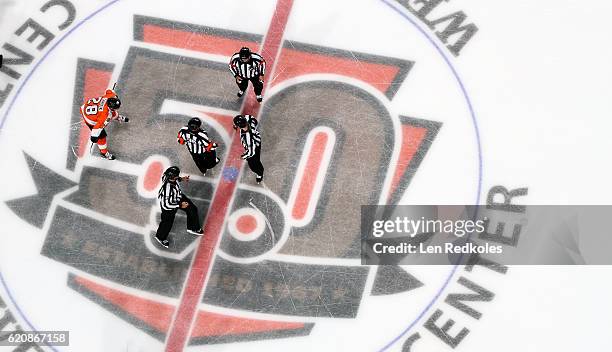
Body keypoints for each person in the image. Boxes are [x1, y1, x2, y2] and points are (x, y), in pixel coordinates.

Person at [155, 166, 203, 248]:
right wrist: (180, 205)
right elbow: (167, 204)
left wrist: (181, 179)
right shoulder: (167, 190)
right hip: (169, 208)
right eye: (177, 175)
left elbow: (176, 178)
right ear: (174, 177)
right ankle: (160, 237)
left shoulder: (168, 176)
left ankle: (193, 228)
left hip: (178, 197)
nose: (178, 176)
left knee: (192, 209)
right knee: (166, 223)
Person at [80, 88, 129, 160]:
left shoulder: (110, 96)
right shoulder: (105, 116)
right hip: (90, 118)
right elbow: (97, 128)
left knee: (112, 113)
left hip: (88, 106)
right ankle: (104, 153)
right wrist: (94, 137)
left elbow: (109, 91)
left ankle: (117, 117)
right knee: (101, 137)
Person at [233, 114, 264, 184]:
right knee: (252, 158)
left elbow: (251, 152)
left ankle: (260, 173)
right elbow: (251, 118)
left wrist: (243, 156)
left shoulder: (247, 138)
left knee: (254, 165)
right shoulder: (249, 120)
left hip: (254, 148)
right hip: (256, 141)